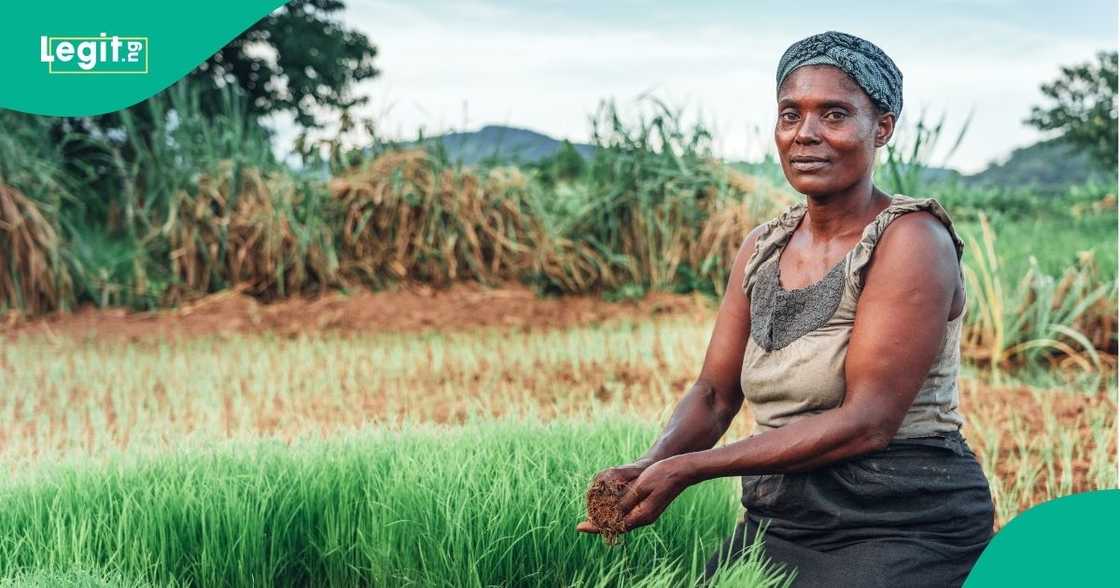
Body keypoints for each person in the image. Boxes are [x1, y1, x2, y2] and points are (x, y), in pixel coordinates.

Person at [575, 30, 995, 588]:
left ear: (883, 127)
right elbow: (714, 394)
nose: (806, 135)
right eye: (790, 115)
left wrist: (691, 468)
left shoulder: (910, 240)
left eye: (835, 115)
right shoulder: (762, 247)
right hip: (784, 516)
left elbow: (867, 422)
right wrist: (651, 464)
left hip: (902, 517)